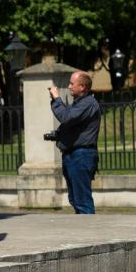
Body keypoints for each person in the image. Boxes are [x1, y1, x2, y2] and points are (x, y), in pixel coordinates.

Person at [49, 71, 102, 215]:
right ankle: (84, 231)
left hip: (81, 156)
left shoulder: (88, 103)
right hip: (72, 154)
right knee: (75, 199)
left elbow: (67, 117)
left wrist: (57, 99)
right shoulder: (79, 103)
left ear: (83, 87)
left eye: (72, 84)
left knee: (82, 201)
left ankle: (89, 234)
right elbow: (72, 124)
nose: (69, 86)